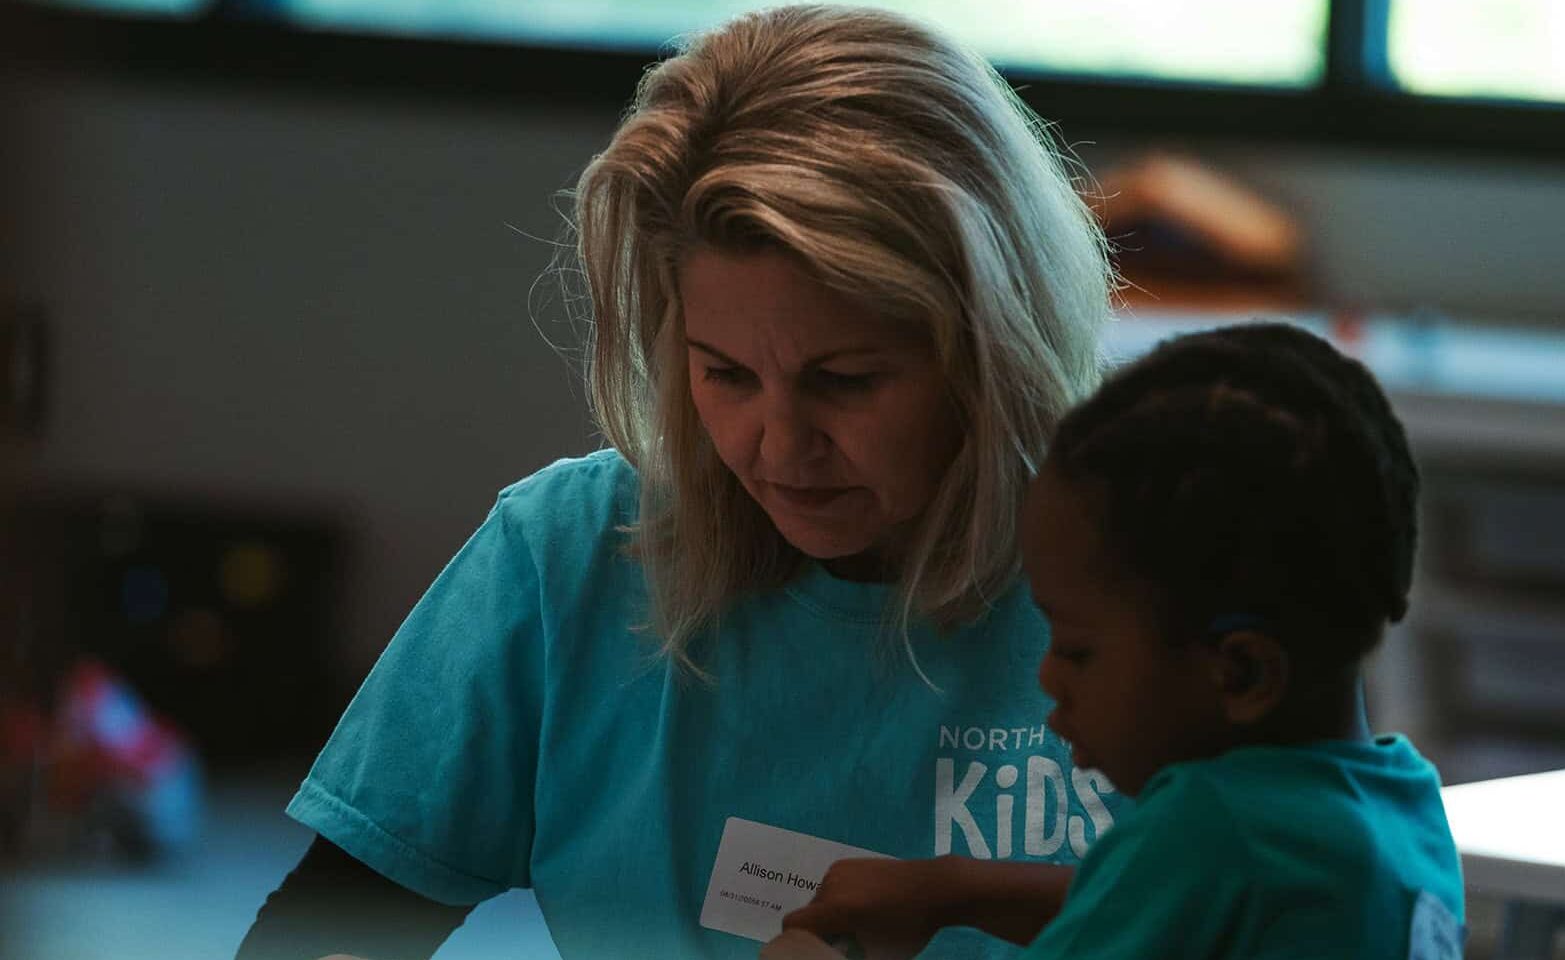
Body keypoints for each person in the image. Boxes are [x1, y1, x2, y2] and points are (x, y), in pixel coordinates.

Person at [235, 5, 1124, 959]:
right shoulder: (572, 555)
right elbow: (325, 934)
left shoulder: (1154, 572)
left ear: (992, 354)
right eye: (726, 374)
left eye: (846, 381)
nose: (778, 449)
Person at [770, 322, 1464, 960]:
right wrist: (954, 890)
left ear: (1243, 674)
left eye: (1076, 650)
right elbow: (1156, 911)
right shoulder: (1397, 805)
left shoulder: (1211, 829)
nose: (1047, 677)